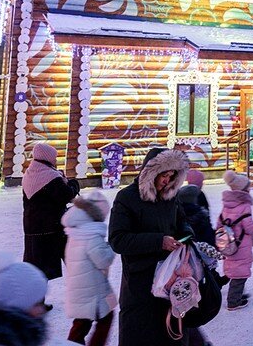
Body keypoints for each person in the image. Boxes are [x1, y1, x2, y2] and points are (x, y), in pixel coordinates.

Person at [108, 147, 192, 346]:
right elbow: (117, 239)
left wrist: (187, 236)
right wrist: (159, 241)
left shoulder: (171, 197)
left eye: (171, 176)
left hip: (171, 281)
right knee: (141, 335)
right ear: (151, 172)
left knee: (171, 335)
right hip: (140, 284)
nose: (167, 181)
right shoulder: (127, 198)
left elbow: (183, 222)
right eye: (164, 175)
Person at [22, 143, 79, 291]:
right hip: (51, 229)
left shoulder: (31, 172)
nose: (56, 160)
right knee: (73, 260)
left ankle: (35, 301)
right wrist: (74, 184)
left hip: (32, 228)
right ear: (47, 157)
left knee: (37, 270)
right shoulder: (50, 176)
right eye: (54, 157)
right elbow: (66, 195)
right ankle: (82, 290)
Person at [62, 191, 117, 346]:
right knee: (106, 318)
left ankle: (73, 343)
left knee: (81, 323)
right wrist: (111, 247)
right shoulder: (91, 235)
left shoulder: (76, 231)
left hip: (80, 287)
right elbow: (103, 261)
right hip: (92, 290)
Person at [220, 170, 253, 310]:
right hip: (241, 244)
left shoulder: (227, 204)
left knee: (234, 268)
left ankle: (237, 295)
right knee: (240, 272)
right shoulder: (245, 206)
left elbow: (219, 222)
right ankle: (233, 301)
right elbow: (248, 227)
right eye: (248, 187)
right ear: (244, 189)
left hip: (229, 243)